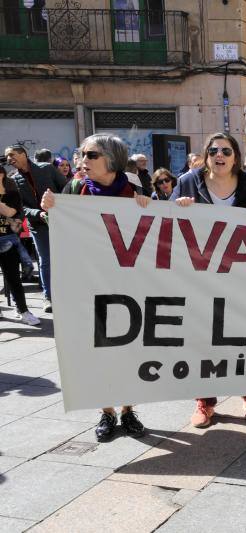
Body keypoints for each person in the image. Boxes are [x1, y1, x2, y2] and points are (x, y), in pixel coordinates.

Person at [40, 133, 148, 441]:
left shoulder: (134, 189)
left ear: (111, 160)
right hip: (88, 282)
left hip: (128, 284)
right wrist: (50, 209)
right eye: (82, 154)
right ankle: (107, 412)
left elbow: (157, 231)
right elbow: (58, 227)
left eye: (91, 155)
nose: (83, 161)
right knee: (97, 347)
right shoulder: (75, 188)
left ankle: (128, 411)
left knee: (129, 348)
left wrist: (147, 206)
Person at [171, 132, 246, 427]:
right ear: (206, 155)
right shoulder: (188, 182)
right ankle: (204, 402)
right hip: (200, 277)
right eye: (214, 150)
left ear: (235, 156)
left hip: (242, 276)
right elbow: (162, 220)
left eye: (227, 151)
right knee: (204, 338)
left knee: (242, 335)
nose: (220, 155)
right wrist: (176, 207)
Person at [4, 144, 67, 313]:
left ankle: (68, 293)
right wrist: (38, 213)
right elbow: (22, 207)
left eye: (11, 155)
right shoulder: (14, 179)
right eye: (7, 157)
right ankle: (49, 297)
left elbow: (66, 188)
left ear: (23, 154)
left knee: (66, 258)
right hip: (38, 225)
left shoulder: (47, 168)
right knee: (45, 260)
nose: (9, 159)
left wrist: (58, 205)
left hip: (62, 221)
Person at [0, 166, 39, 325]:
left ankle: (22, 310)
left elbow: (9, 213)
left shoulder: (12, 194)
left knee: (14, 278)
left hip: (8, 240)